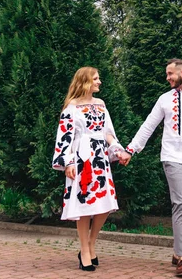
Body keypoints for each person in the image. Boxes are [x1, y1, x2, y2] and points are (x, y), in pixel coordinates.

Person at [118, 58, 182, 277]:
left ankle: (177, 253)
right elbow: (148, 125)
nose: (167, 78)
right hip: (171, 157)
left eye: (170, 74)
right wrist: (131, 149)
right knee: (181, 203)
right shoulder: (164, 100)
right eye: (167, 74)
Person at [52, 67, 126, 271]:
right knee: (84, 206)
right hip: (80, 160)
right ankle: (84, 250)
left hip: (100, 159)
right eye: (95, 78)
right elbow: (64, 138)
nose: (99, 82)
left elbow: (108, 133)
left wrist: (117, 150)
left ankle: (92, 242)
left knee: (104, 204)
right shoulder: (71, 108)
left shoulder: (101, 105)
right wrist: (67, 163)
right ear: (85, 81)